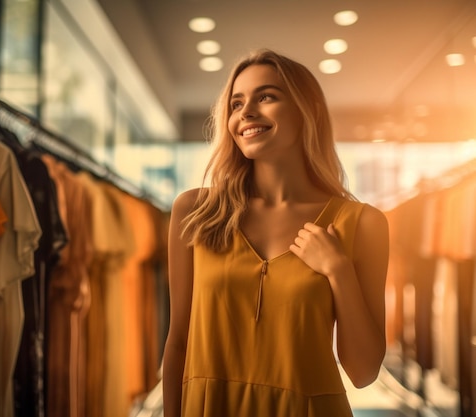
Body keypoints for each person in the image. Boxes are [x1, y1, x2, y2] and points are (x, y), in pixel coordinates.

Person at [162, 48, 389, 417]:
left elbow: (363, 373)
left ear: (308, 109)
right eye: (236, 104)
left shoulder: (362, 224)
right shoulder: (195, 211)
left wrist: (338, 271)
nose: (246, 112)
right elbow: (177, 343)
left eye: (266, 97)